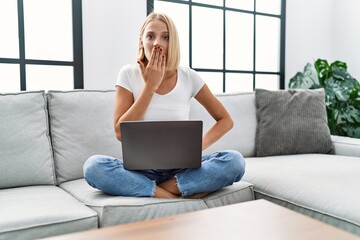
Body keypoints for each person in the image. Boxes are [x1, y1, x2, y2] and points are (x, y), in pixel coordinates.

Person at [83, 12, 245, 199]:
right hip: (141, 171)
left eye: (165, 37)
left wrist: (196, 147)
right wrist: (150, 87)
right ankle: (176, 194)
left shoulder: (188, 76)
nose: (157, 42)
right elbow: (120, 132)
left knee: (235, 162)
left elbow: (225, 120)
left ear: (173, 42)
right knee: (94, 167)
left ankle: (155, 189)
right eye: (150, 36)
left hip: (183, 168)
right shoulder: (128, 74)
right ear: (141, 41)